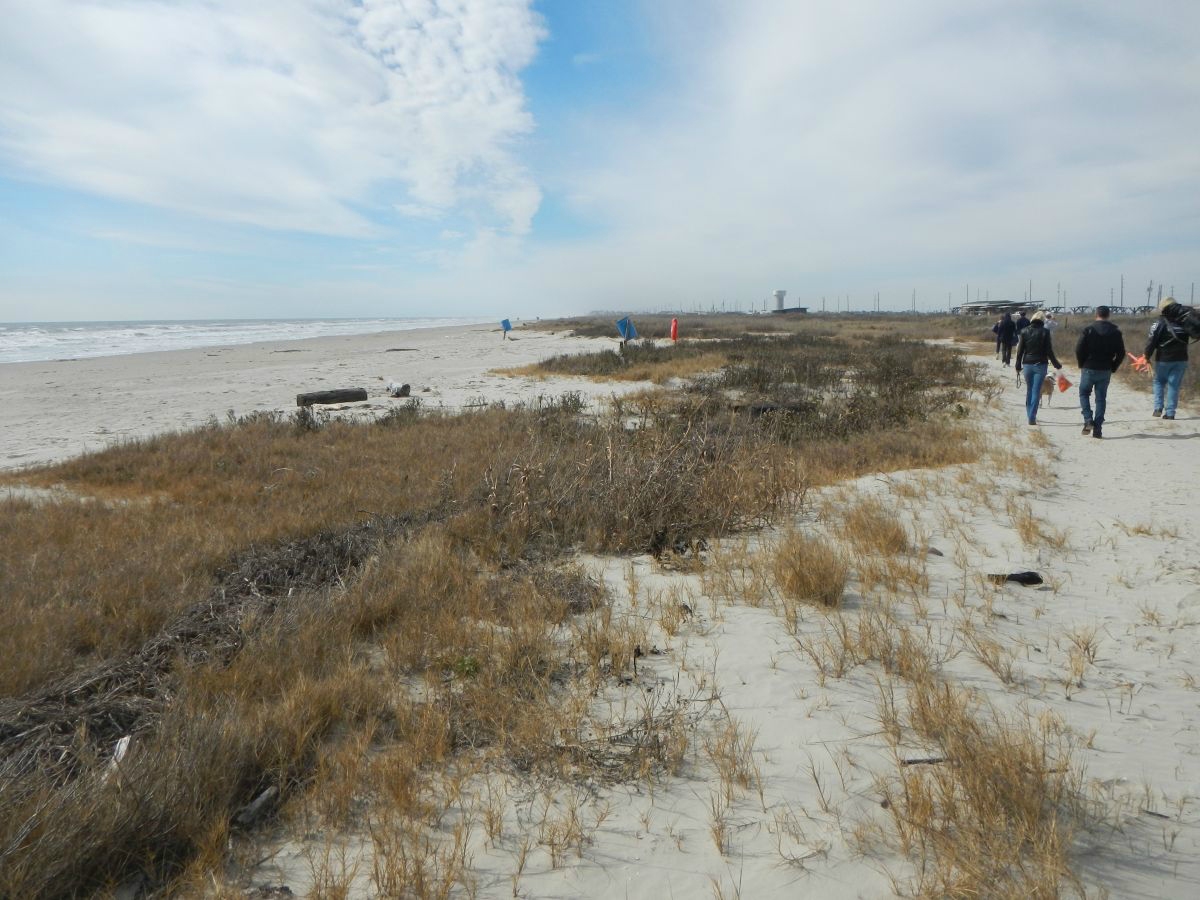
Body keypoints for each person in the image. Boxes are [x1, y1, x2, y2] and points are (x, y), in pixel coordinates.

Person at [1074, 306, 1125, 439]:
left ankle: (1088, 419)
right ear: (1108, 315)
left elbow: (1079, 349)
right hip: (1105, 368)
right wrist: (1114, 366)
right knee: (1101, 398)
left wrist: (1081, 363)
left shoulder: (1088, 329)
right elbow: (1121, 353)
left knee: (1084, 393)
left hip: (1089, 367)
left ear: (1096, 314)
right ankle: (1098, 429)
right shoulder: (1115, 331)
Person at [1143, 296, 1190, 420]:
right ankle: (1170, 413)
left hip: (1164, 359)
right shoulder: (1184, 322)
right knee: (1173, 385)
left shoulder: (1159, 323)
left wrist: (1146, 356)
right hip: (1181, 359)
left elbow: (1151, 342)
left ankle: (1158, 408)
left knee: (1158, 382)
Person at [1014, 311, 1063, 425]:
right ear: (1042, 320)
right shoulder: (1045, 332)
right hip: (1041, 364)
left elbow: (1020, 350)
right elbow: (1049, 351)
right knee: (1036, 390)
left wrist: (1017, 365)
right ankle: (1032, 416)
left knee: (1029, 390)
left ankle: (1029, 414)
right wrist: (1056, 364)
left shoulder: (1024, 331)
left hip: (1027, 364)